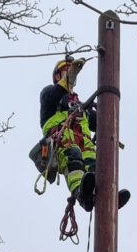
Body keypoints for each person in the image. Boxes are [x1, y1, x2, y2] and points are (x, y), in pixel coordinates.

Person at [39, 57, 129, 212]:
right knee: (74, 158)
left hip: (85, 143)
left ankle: (108, 196)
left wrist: (108, 104)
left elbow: (102, 121)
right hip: (64, 141)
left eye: (71, 69)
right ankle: (82, 195)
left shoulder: (81, 106)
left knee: (95, 165)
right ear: (57, 76)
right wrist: (69, 79)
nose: (71, 72)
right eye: (66, 70)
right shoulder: (50, 93)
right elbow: (51, 97)